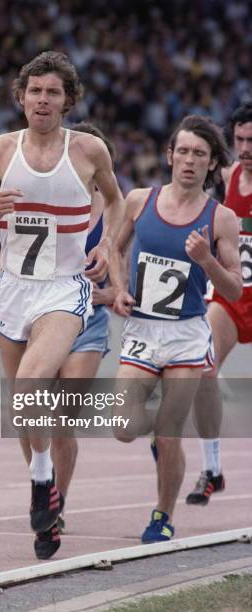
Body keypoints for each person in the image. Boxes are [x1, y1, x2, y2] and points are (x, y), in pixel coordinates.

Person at [0, 52, 124, 559]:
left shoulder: (89, 150)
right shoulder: (0, 151)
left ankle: (42, 484)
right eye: (35, 91)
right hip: (13, 288)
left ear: (67, 100)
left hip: (63, 288)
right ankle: (46, 497)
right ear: (21, 96)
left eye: (53, 92)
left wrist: (106, 243)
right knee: (22, 406)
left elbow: (115, 202)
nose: (43, 100)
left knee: (32, 386)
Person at [109, 115, 242, 543]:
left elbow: (236, 289)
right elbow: (112, 247)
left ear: (211, 164)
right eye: (182, 151)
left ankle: (162, 515)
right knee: (123, 426)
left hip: (186, 335)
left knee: (169, 434)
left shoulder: (220, 219)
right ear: (169, 156)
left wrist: (206, 261)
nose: (188, 161)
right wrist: (117, 288)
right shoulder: (139, 200)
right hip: (144, 332)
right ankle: (162, 443)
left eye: (199, 154)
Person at [19, 122, 117, 542]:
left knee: (62, 421)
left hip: (88, 324)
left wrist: (101, 293)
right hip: (43, 319)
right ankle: (41, 488)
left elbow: (119, 288)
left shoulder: (111, 220)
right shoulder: (50, 204)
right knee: (30, 411)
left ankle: (58, 501)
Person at [187, 102, 252, 505]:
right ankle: (211, 469)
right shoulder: (228, 176)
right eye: (240, 139)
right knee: (201, 367)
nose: (246, 147)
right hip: (233, 294)